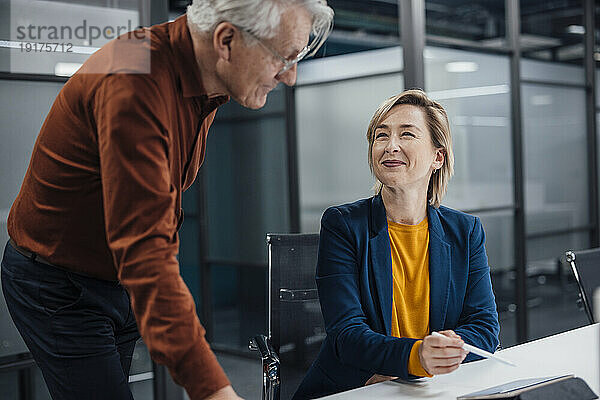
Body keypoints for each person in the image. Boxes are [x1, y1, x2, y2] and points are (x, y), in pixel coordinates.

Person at [1, 1, 333, 399]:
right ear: (225, 41)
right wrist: (215, 390)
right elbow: (144, 250)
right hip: (59, 284)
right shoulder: (132, 78)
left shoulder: (205, 77)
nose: (290, 76)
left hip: (114, 277)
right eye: (283, 57)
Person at [293, 89, 500, 399]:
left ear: (437, 157)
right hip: (356, 387)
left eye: (407, 134)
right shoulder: (343, 225)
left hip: (432, 388)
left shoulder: (465, 232)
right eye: (380, 136)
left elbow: (484, 327)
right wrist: (416, 357)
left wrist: (440, 357)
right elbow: (346, 334)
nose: (390, 146)